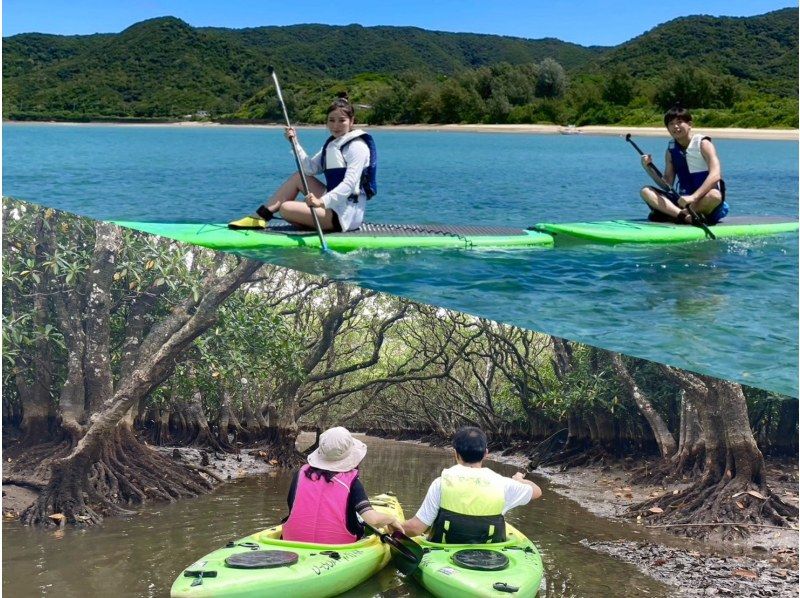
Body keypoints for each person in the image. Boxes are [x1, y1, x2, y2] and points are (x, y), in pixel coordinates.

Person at [229, 93, 377, 233]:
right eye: (331, 120)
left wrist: (321, 202)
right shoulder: (333, 144)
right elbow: (309, 169)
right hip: (334, 205)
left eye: (342, 120)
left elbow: (350, 185)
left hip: (345, 216)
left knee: (285, 208)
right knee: (298, 177)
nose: (335, 125)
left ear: (352, 121)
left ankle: (311, 222)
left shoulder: (357, 146)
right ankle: (260, 216)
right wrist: (294, 143)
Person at [402, 426, 541, 544]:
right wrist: (520, 480)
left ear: (455, 453)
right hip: (491, 555)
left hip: (445, 550)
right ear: (486, 454)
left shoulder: (441, 483)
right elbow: (537, 491)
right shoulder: (504, 484)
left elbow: (416, 529)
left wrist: (389, 526)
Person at [282, 426, 402, 544]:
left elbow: (292, 505)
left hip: (292, 540)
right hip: (338, 545)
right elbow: (372, 519)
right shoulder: (352, 482)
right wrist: (391, 519)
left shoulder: (300, 474)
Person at [639, 105, 729, 225]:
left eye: (679, 122)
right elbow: (667, 185)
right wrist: (648, 168)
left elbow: (715, 174)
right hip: (681, 201)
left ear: (690, 124)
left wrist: (694, 197)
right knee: (645, 191)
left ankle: (671, 214)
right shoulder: (671, 150)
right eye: (671, 124)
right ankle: (684, 216)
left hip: (702, 201)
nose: (675, 126)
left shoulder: (704, 144)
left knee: (715, 196)